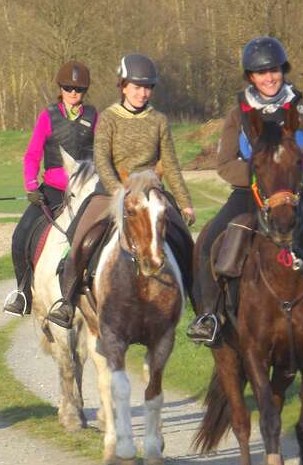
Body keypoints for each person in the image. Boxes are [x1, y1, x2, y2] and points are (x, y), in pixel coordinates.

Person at [186, 36, 303, 345]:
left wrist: (299, 174)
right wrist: (260, 178)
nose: (269, 77)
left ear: (283, 71)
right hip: (249, 193)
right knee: (208, 241)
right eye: (261, 72)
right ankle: (209, 315)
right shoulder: (237, 115)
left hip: (297, 193)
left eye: (275, 70)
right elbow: (225, 163)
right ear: (251, 77)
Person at [47, 53, 196, 328]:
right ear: (123, 86)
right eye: (137, 86)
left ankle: (200, 311)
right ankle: (66, 302)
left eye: (148, 87)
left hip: (151, 192)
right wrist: (118, 191)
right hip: (110, 191)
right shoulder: (109, 118)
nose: (143, 93)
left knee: (185, 240)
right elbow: (102, 160)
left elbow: (171, 164)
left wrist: (185, 204)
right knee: (81, 235)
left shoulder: (159, 120)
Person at [3, 60, 97, 316]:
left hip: (86, 193)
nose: (73, 93)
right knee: (20, 236)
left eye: (78, 89)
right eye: (68, 88)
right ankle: (23, 292)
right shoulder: (48, 116)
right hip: (54, 190)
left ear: (85, 91)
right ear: (61, 89)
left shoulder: (94, 116)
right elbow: (32, 155)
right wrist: (31, 185)